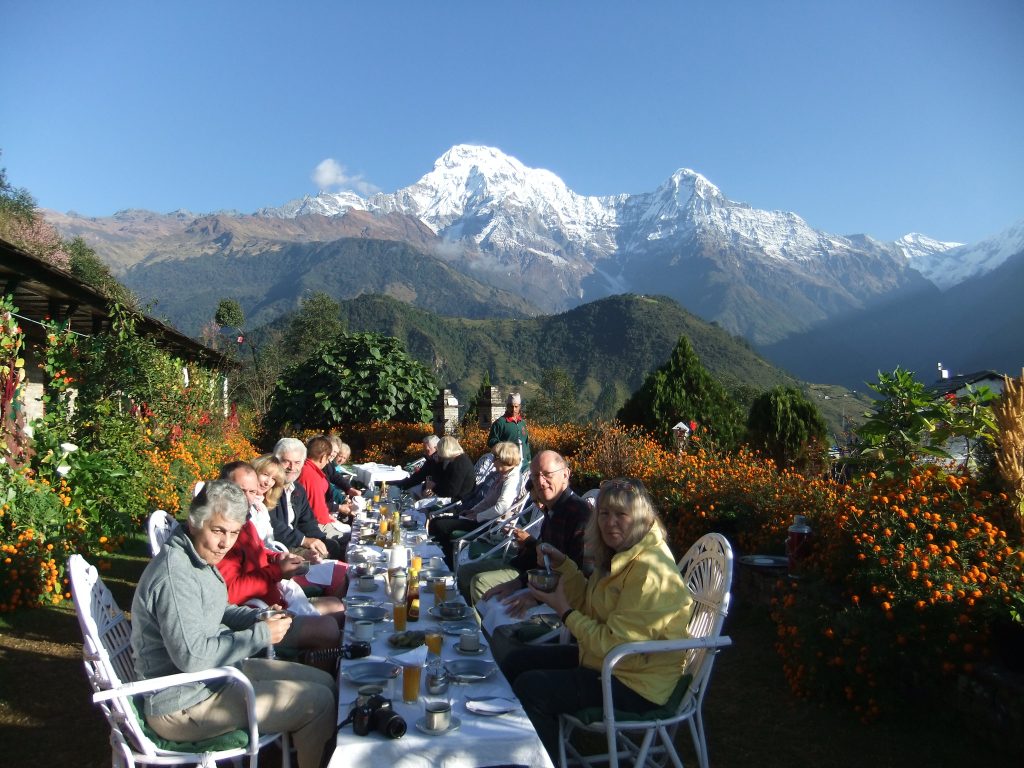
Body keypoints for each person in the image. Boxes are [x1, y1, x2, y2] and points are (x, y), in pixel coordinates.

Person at [131, 480, 337, 768]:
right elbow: (192, 657)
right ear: (194, 523)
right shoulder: (175, 578)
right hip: (183, 703)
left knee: (327, 682)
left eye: (233, 533)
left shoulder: (198, 558)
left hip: (216, 677)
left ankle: (302, 747)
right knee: (319, 702)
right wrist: (260, 635)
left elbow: (218, 610)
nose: (225, 543)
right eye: (217, 530)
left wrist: (258, 617)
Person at [511, 478, 695, 762]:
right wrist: (565, 566)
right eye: (605, 514)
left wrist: (565, 612)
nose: (611, 523)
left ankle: (543, 760)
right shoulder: (618, 556)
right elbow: (590, 603)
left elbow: (613, 646)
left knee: (531, 688)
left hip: (635, 683)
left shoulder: (650, 573)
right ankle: (507, 748)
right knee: (515, 661)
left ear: (642, 518)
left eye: (621, 514)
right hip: (605, 662)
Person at [218, 462, 344, 651]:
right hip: (256, 618)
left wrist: (278, 559)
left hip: (275, 601)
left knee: (338, 607)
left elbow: (259, 552)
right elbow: (230, 594)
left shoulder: (245, 522)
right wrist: (276, 571)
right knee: (328, 628)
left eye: (252, 492)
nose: (245, 498)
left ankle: (313, 664)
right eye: (239, 491)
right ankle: (313, 675)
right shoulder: (222, 535)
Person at [461, 450, 589, 605]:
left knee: (480, 584)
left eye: (547, 474)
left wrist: (530, 592)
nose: (541, 482)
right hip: (535, 577)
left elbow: (577, 575)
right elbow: (543, 559)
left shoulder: (578, 513)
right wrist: (519, 582)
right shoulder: (553, 509)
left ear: (565, 475)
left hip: (561, 600)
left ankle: (479, 627)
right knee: (465, 573)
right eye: (535, 476)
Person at [254, 454, 348, 599]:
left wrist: (318, 540)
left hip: (278, 554)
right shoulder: (255, 503)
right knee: (339, 575)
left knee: (333, 557)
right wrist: (303, 543)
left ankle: (325, 601)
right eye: (265, 475)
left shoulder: (288, 491)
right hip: (277, 557)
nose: (268, 482)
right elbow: (274, 533)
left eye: (273, 478)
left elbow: (307, 520)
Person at [428, 441, 522, 567]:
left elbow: (501, 507)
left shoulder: (512, 479)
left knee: (440, 525)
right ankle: (446, 560)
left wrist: (478, 516)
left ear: (504, 459)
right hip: (483, 518)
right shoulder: (501, 475)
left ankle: (449, 564)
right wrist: (473, 511)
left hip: (491, 525)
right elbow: (487, 500)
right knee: (436, 522)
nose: (492, 461)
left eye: (495, 458)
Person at [270, 437, 345, 561]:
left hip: (293, 539)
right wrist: (304, 540)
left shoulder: (297, 489)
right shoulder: (269, 487)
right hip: (277, 546)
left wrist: (320, 540)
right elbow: (273, 526)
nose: (292, 467)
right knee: (323, 555)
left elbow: (307, 521)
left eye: (297, 462)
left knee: (330, 547)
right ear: (275, 461)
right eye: (286, 461)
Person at [298, 435, 352, 543]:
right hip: (315, 525)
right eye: (328, 458)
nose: (328, 462)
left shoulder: (310, 470)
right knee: (349, 538)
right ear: (323, 457)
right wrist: (331, 518)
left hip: (318, 519)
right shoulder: (311, 475)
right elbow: (317, 509)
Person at [488, 392, 531, 470]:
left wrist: (529, 459)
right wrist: (505, 447)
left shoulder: (522, 423)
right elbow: (491, 441)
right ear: (507, 406)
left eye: (516, 406)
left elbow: (526, 442)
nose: (513, 409)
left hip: (524, 466)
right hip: (509, 464)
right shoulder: (500, 423)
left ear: (519, 407)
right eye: (511, 406)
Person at [427, 435, 476, 503]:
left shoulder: (459, 464)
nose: (437, 453)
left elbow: (451, 491)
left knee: (421, 505)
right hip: (454, 497)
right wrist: (437, 464)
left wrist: (434, 487)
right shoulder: (456, 460)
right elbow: (442, 480)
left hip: (459, 501)